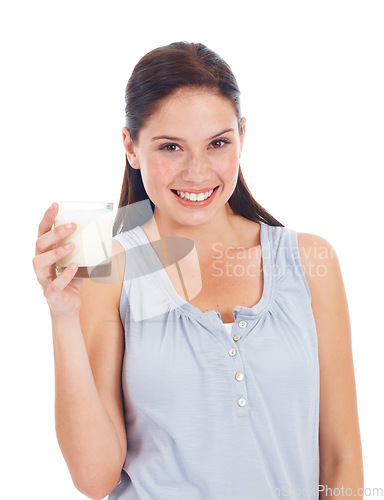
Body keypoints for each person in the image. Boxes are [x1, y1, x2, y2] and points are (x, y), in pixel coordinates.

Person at [33, 41, 364, 500]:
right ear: (130, 147)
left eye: (218, 143)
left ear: (242, 135)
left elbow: (342, 458)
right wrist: (63, 318)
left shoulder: (309, 262)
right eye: (170, 146)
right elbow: (95, 478)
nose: (197, 171)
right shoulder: (109, 271)